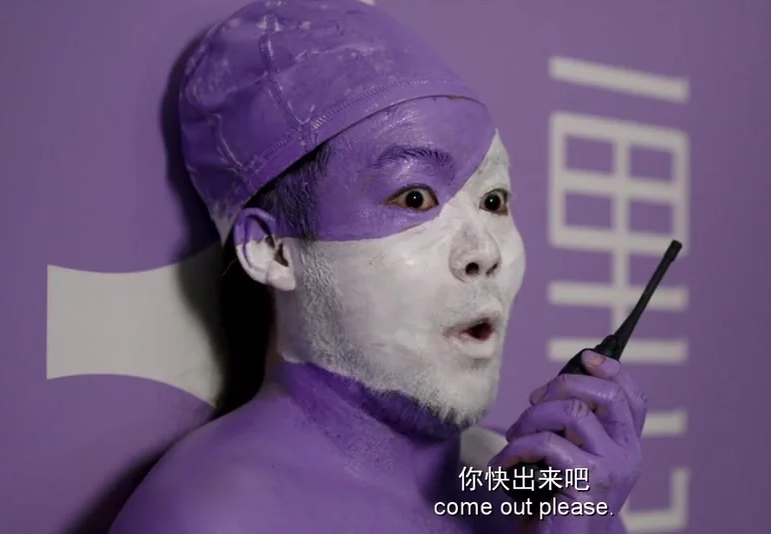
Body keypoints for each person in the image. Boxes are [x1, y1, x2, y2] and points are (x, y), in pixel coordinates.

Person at [110, 1, 647, 532]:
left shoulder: (534, 493)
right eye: (414, 198)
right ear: (272, 249)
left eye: (493, 201)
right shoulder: (215, 517)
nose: (485, 250)